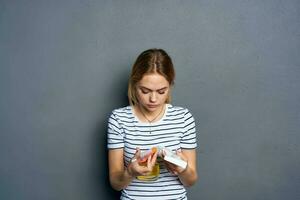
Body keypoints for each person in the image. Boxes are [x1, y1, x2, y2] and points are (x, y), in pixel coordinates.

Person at [107, 48, 198, 199]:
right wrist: (130, 172)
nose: (153, 99)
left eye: (161, 91)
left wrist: (182, 168)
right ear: (134, 85)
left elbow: (190, 181)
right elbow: (116, 183)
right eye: (145, 91)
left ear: (170, 86)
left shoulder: (183, 118)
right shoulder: (118, 119)